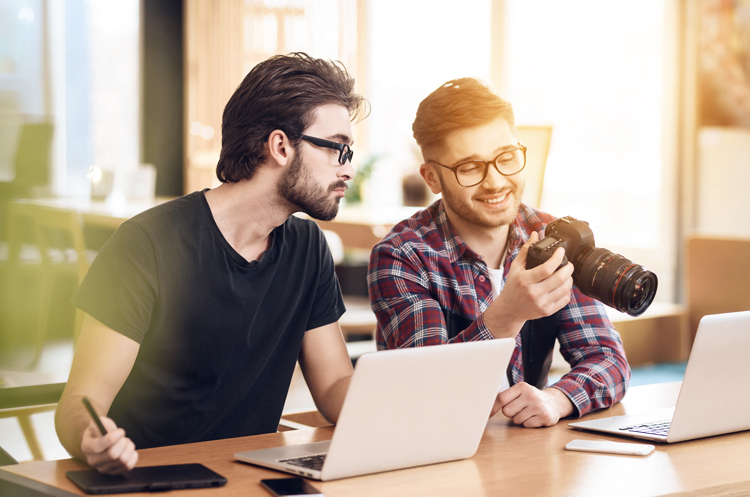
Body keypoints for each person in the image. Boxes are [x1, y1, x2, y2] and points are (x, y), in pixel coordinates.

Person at [55, 53, 368, 474]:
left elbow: (333, 386)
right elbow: (81, 400)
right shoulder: (147, 242)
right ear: (280, 146)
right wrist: (92, 438)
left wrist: (423, 396)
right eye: (338, 149)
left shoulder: (307, 247)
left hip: (247, 476)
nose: (347, 169)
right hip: (149, 479)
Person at [367, 78, 629, 428]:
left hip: (525, 454)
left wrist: (557, 398)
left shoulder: (551, 236)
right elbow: (426, 395)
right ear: (432, 178)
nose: (495, 182)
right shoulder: (401, 257)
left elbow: (608, 359)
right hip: (434, 457)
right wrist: (506, 315)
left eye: (506, 157)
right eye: (470, 167)